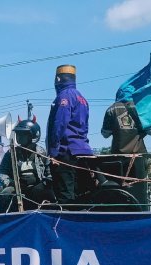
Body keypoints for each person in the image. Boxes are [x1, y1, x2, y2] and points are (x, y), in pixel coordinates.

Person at [45, 65, 94, 204]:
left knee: (65, 194)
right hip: (83, 151)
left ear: (58, 79)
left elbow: (59, 123)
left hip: (66, 152)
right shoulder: (82, 98)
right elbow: (86, 126)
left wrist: (53, 152)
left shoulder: (64, 96)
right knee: (82, 193)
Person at [0, 118, 55, 212]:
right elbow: (3, 172)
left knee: (47, 193)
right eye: (18, 134)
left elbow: (49, 173)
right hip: (16, 187)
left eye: (23, 134)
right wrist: (9, 182)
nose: (19, 137)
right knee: (5, 194)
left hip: (37, 186)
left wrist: (44, 183)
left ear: (32, 135)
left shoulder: (42, 152)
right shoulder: (10, 153)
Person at [101, 86, 151, 154]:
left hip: (118, 154)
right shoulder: (140, 107)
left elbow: (105, 135)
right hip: (138, 154)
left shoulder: (111, 109)